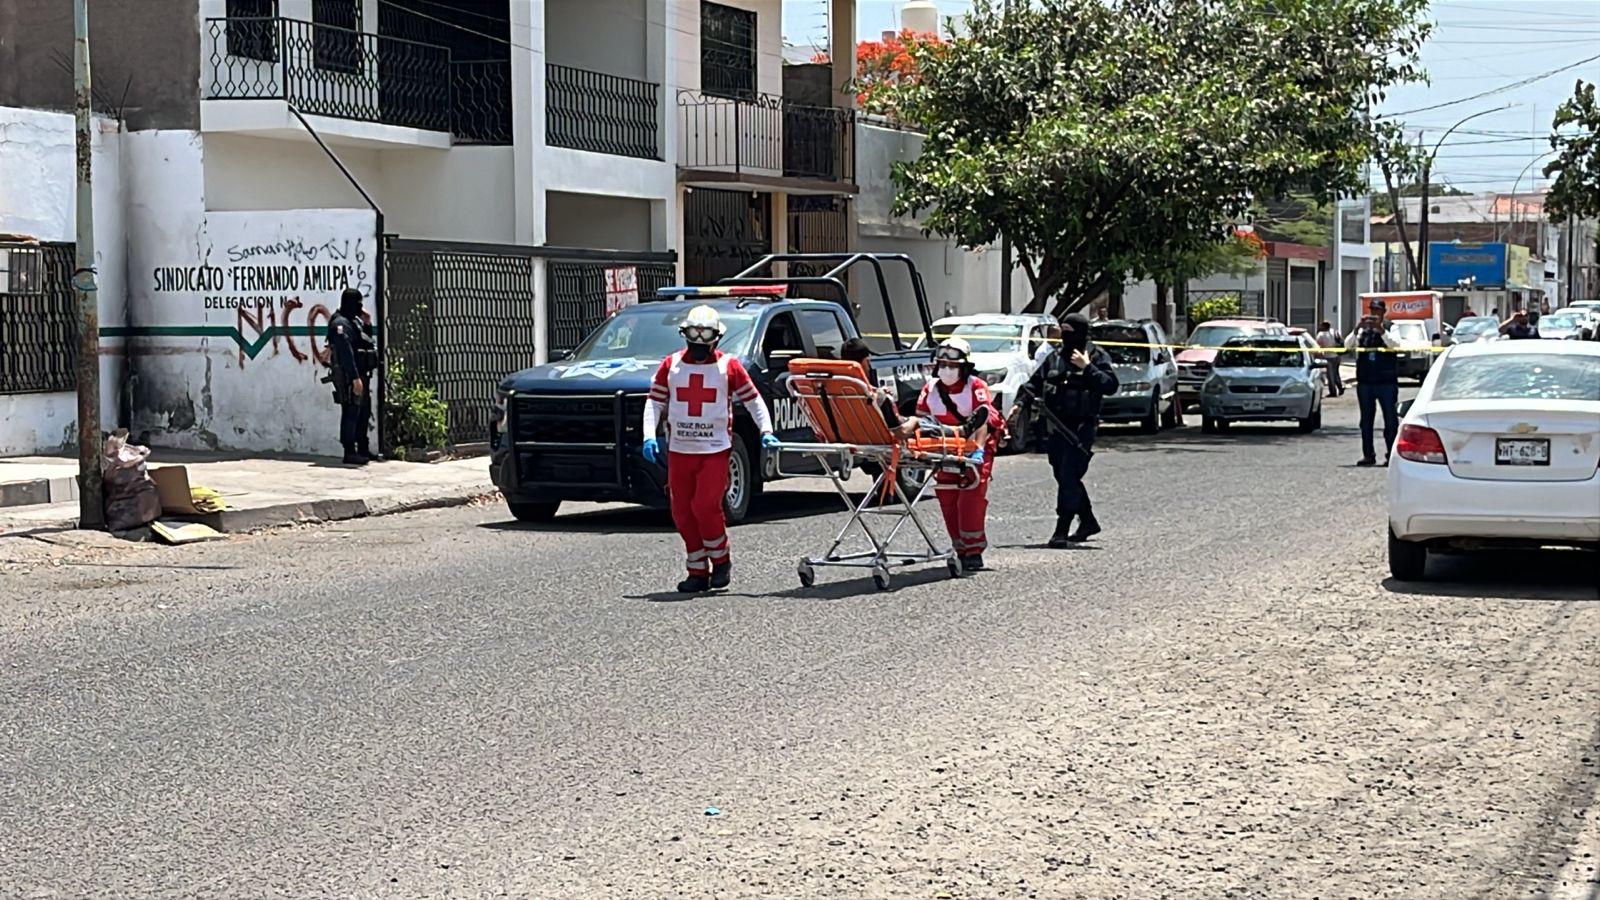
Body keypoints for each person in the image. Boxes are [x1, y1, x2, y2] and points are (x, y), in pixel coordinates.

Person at [642, 305, 779, 594]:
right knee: (681, 512)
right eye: (694, 337)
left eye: (706, 338)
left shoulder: (729, 366)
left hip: (715, 450)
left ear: (717, 338)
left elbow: (753, 401)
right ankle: (697, 571)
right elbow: (654, 402)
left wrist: (766, 431)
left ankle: (721, 559)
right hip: (680, 451)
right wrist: (648, 437)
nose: (700, 344)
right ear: (685, 335)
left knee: (705, 507)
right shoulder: (671, 364)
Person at [1015, 312, 1118, 547]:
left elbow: (1110, 385)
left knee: (1069, 476)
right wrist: (1020, 405)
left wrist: (1088, 367)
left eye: (1071, 332)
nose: (1066, 337)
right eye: (1064, 332)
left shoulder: (1096, 355)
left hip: (1081, 429)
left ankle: (1062, 528)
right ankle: (1088, 520)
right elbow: (1034, 384)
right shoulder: (1055, 357)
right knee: (1062, 475)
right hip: (1055, 427)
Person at [916, 337, 1004, 571]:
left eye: (953, 366)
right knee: (947, 496)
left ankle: (973, 550)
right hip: (944, 445)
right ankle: (959, 547)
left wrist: (977, 453)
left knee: (970, 496)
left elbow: (983, 419)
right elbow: (921, 419)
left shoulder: (975, 386)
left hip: (975, 443)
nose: (947, 370)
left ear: (964, 367)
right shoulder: (930, 389)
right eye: (943, 364)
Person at [1344, 311, 1401, 466]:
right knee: (1366, 421)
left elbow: (1395, 345)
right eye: (1372, 312)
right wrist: (1357, 328)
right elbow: (1347, 345)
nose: (1374, 316)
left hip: (1386, 382)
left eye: (1377, 312)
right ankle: (1368, 455)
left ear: (1383, 312)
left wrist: (1381, 330)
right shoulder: (1363, 331)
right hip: (1366, 381)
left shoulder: (1391, 328)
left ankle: (1391, 455)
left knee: (1390, 420)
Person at [327, 287, 376, 465]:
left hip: (361, 374)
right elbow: (345, 353)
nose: (360, 308)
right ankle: (350, 451)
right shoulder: (340, 324)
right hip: (349, 376)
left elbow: (366, 342)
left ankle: (362, 447)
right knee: (351, 412)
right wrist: (355, 378)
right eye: (358, 304)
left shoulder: (352, 321)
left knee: (363, 411)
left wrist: (368, 323)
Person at [841, 338, 917, 437]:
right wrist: (915, 420)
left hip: (848, 438)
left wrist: (876, 390)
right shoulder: (878, 398)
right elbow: (899, 433)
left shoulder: (829, 393)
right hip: (882, 443)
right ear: (866, 362)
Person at [1314, 319, 1345, 397]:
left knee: (1330, 375)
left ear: (1324, 326)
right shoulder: (1335, 332)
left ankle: (1333, 392)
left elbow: (1317, 346)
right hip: (1337, 356)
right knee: (1336, 373)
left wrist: (1318, 355)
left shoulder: (1321, 334)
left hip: (1328, 357)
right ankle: (1340, 387)